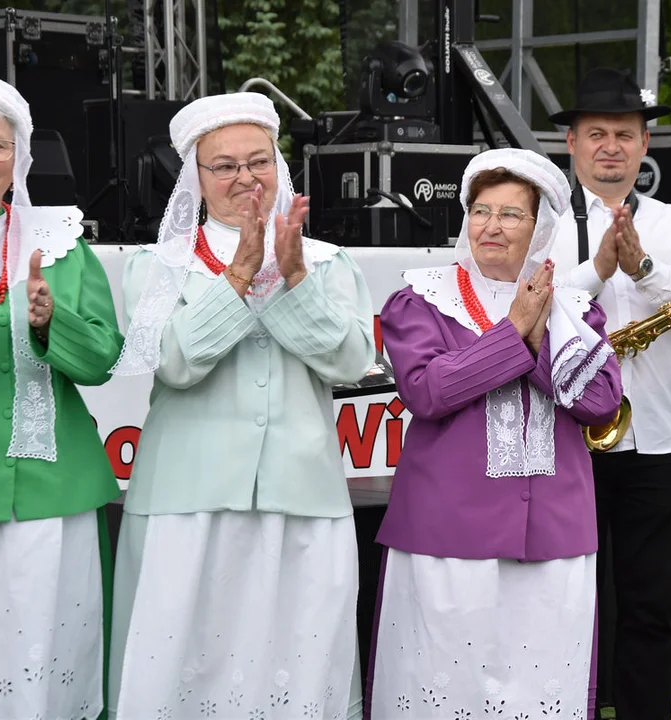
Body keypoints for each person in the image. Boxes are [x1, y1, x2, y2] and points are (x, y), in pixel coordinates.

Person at [107, 92, 376, 720]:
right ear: (195, 180)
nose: (245, 178)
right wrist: (238, 277)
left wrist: (293, 280)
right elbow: (174, 364)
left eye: (259, 161)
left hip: (301, 499)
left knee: (297, 672)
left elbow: (348, 363)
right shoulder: (157, 266)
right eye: (223, 166)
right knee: (186, 673)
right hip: (186, 504)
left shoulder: (327, 263)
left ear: (280, 169)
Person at [365, 147, 623, 719]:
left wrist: (538, 335)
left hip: (555, 539)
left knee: (541, 694)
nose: (491, 226)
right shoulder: (422, 298)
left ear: (540, 229)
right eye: (480, 210)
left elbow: (602, 402)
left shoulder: (575, 309)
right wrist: (514, 335)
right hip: (446, 538)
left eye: (511, 214)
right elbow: (428, 392)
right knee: (440, 692)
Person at [547, 68, 671, 719]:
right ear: (569, 143)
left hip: (656, 443)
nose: (610, 146)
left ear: (643, 143)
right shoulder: (542, 220)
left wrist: (644, 270)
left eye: (623, 134)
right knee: (568, 607)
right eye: (595, 134)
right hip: (567, 444)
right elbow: (532, 310)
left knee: (651, 610)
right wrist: (599, 271)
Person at [0, 75, 124, 720]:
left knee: (51, 656)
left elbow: (105, 360)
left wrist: (52, 323)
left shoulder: (62, 242)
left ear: (18, 158)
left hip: (54, 490)